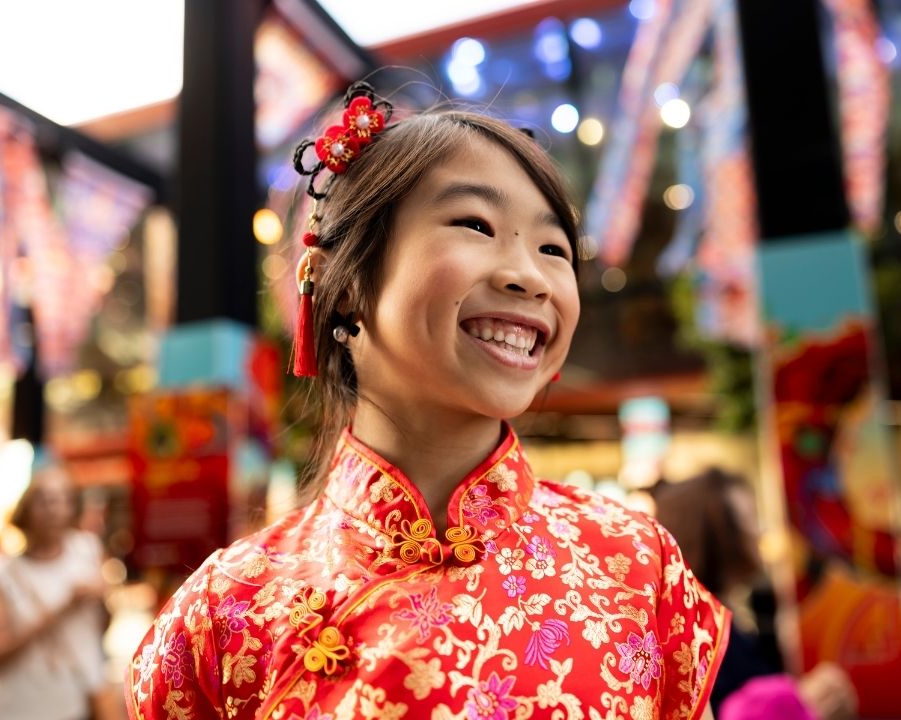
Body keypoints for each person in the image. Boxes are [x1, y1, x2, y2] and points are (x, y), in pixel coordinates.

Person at [127, 81, 730, 720]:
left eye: (553, 248)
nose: (528, 274)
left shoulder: (637, 565)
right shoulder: (223, 616)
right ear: (350, 286)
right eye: (476, 224)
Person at [653, 468, 857, 720]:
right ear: (716, 534)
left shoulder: (725, 618)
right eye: (749, 518)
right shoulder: (697, 635)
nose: (759, 532)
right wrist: (796, 705)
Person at [0, 461, 109, 720]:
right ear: (26, 510)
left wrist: (103, 598)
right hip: (21, 708)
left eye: (63, 499)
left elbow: (100, 627)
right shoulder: (0, 575)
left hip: (76, 703)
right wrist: (62, 608)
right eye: (44, 501)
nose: (54, 509)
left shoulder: (86, 550)